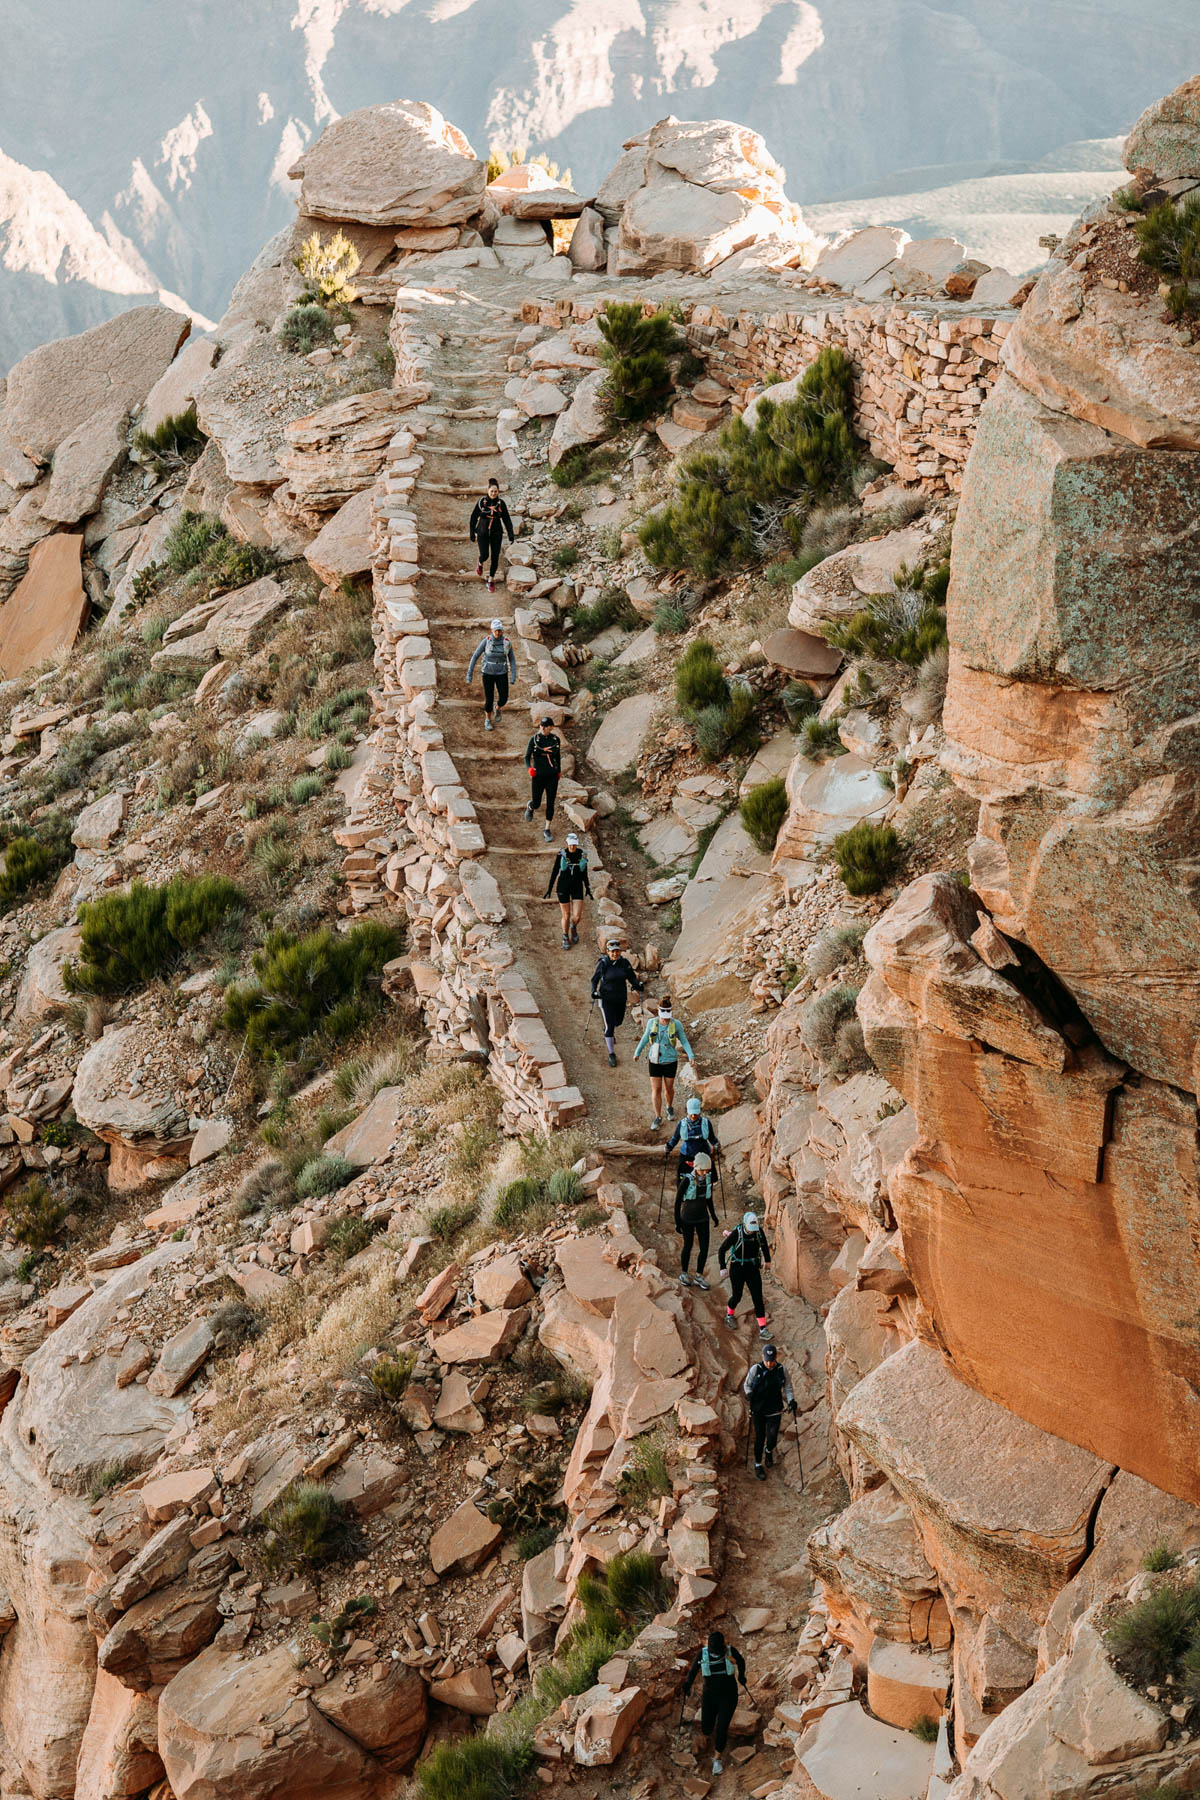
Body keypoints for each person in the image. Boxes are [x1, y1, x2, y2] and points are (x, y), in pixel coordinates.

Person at [682, 1628, 747, 1777]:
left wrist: (741, 1676)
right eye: (714, 1650)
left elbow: (741, 1662)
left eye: (718, 1650)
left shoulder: (730, 1652)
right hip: (710, 1696)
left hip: (728, 1696)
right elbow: (693, 1670)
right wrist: (687, 1684)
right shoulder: (703, 1654)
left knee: (722, 1727)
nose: (716, 1653)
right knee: (706, 1727)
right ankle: (708, 1739)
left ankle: (717, 1759)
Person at [633, 997, 694, 1131]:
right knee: (656, 1089)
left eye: (667, 1016)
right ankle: (658, 1116)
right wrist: (637, 1052)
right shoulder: (652, 1023)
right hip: (654, 1060)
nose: (665, 1019)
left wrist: (691, 1055)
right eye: (663, 1016)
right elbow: (645, 1038)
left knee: (669, 1088)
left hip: (670, 1060)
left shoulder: (676, 1024)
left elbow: (684, 1040)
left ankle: (669, 1106)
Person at [744, 1341, 796, 1482]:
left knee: (772, 1437)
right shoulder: (756, 1369)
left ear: (776, 1359)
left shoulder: (781, 1370)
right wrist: (749, 1393)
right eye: (767, 1361)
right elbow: (747, 1384)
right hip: (758, 1410)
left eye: (771, 1361)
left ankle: (769, 1451)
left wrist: (791, 1400)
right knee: (759, 1438)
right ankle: (758, 1464)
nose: (769, 1364)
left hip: (774, 1409)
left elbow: (788, 1386)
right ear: (763, 1357)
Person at [590, 937, 644, 1067]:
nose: (615, 954)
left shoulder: (624, 963)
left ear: (620, 951)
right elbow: (594, 980)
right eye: (612, 951)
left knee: (618, 1022)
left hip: (620, 998)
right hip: (606, 999)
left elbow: (631, 977)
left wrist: (637, 985)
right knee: (609, 1026)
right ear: (607, 951)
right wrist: (594, 991)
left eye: (617, 951)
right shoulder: (603, 963)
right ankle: (611, 1054)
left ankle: (610, 1030)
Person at [718, 1209, 772, 1338]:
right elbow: (722, 1249)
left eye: (753, 1228)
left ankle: (763, 1329)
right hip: (738, 1268)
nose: (752, 1231)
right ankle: (729, 1314)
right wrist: (722, 1267)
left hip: (752, 1268)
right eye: (750, 1229)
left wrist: (768, 1260)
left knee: (758, 1298)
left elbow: (764, 1246)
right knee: (737, 1295)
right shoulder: (737, 1233)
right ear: (744, 1225)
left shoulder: (758, 1232)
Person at [675, 1151, 719, 1290]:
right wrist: (677, 1222)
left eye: (707, 1170)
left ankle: (699, 1275)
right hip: (687, 1218)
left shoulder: (707, 1179)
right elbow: (677, 1202)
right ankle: (684, 1273)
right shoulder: (687, 1180)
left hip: (702, 1218)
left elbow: (709, 1199)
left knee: (704, 1248)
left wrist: (713, 1215)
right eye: (703, 1169)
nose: (705, 1172)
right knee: (688, 1246)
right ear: (697, 1167)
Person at [466, 619, 517, 732]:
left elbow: (512, 659)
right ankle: (487, 720)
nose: (498, 633)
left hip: (502, 673)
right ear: (491, 630)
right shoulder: (487, 641)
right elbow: (475, 656)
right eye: (495, 631)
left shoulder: (507, 642)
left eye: (499, 630)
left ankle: (498, 708)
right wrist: (469, 674)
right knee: (489, 699)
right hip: (488, 673)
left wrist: (513, 675)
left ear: (502, 630)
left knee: (504, 698)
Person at [665, 1095, 721, 1198]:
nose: (693, 1116)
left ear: (700, 1111)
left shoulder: (706, 1123)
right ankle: (683, 1198)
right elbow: (675, 1139)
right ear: (686, 1111)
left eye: (696, 1113)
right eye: (691, 1113)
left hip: (704, 1156)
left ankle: (705, 1196)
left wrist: (716, 1144)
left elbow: (711, 1138)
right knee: (683, 1180)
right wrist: (669, 1146)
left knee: (707, 1179)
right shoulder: (681, 1124)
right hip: (687, 1156)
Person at [544, 831, 592, 949]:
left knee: (577, 916)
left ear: (577, 844)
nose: (572, 847)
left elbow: (584, 873)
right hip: (563, 887)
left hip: (577, 887)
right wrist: (549, 888)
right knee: (566, 914)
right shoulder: (562, 854)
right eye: (570, 844)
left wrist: (588, 887)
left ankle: (573, 927)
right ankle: (565, 936)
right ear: (566, 843)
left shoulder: (582, 854)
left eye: (574, 844)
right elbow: (555, 871)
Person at [468, 478, 514, 592]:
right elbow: (473, 517)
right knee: (485, 555)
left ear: (498, 492)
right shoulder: (481, 502)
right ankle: (480, 562)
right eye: (492, 491)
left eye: (496, 491)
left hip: (496, 533)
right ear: (488, 490)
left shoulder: (501, 504)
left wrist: (510, 533)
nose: (493, 493)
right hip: (482, 532)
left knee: (495, 557)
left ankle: (491, 580)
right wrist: (472, 532)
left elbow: (507, 519)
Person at [524, 715, 561, 843]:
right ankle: (531, 806)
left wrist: (558, 771)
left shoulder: (555, 740)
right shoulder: (534, 740)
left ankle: (547, 829)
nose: (543, 728)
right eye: (542, 726)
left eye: (546, 726)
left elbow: (557, 757)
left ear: (550, 727)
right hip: (538, 776)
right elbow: (527, 757)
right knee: (537, 802)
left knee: (550, 802)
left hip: (552, 776)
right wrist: (530, 768)